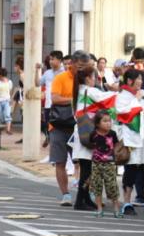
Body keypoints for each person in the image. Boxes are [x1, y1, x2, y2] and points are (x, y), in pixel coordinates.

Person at [71, 61, 115, 211]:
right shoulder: (90, 91)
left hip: (82, 132)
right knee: (87, 170)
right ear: (88, 78)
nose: (95, 80)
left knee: (87, 169)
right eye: (94, 77)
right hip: (89, 134)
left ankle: (85, 199)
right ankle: (80, 201)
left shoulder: (79, 91)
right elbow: (108, 99)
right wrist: (121, 92)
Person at [116, 68, 144, 214]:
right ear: (129, 81)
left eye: (141, 79)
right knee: (131, 170)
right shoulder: (122, 96)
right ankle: (126, 203)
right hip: (131, 137)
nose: (141, 81)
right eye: (138, 79)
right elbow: (122, 113)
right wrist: (140, 107)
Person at [48, 53, 76, 204]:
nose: (69, 66)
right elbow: (55, 98)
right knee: (60, 161)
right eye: (67, 63)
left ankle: (86, 193)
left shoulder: (85, 79)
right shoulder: (60, 78)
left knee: (81, 162)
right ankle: (65, 194)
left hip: (78, 126)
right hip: (58, 125)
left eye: (72, 63)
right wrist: (73, 100)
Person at [88, 112, 120, 217]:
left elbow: (116, 145)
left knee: (112, 186)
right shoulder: (93, 134)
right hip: (96, 163)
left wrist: (116, 157)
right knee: (97, 186)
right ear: (97, 124)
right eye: (105, 121)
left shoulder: (112, 134)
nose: (108, 123)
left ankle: (116, 208)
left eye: (109, 121)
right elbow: (91, 145)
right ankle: (99, 209)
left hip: (110, 163)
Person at [0, 67, 13, 134]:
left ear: (0, 75)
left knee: (7, 115)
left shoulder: (9, 82)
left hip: (7, 100)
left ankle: (8, 129)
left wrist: (10, 99)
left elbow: (10, 91)